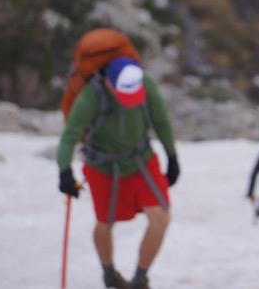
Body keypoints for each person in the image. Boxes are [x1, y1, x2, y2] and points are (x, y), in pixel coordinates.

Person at [57, 56, 180, 289]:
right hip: (103, 168)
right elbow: (70, 135)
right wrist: (64, 171)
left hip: (141, 161)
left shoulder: (145, 84)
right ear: (109, 83)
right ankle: (109, 274)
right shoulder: (90, 98)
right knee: (105, 222)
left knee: (161, 217)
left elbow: (161, 121)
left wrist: (172, 157)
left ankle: (139, 280)